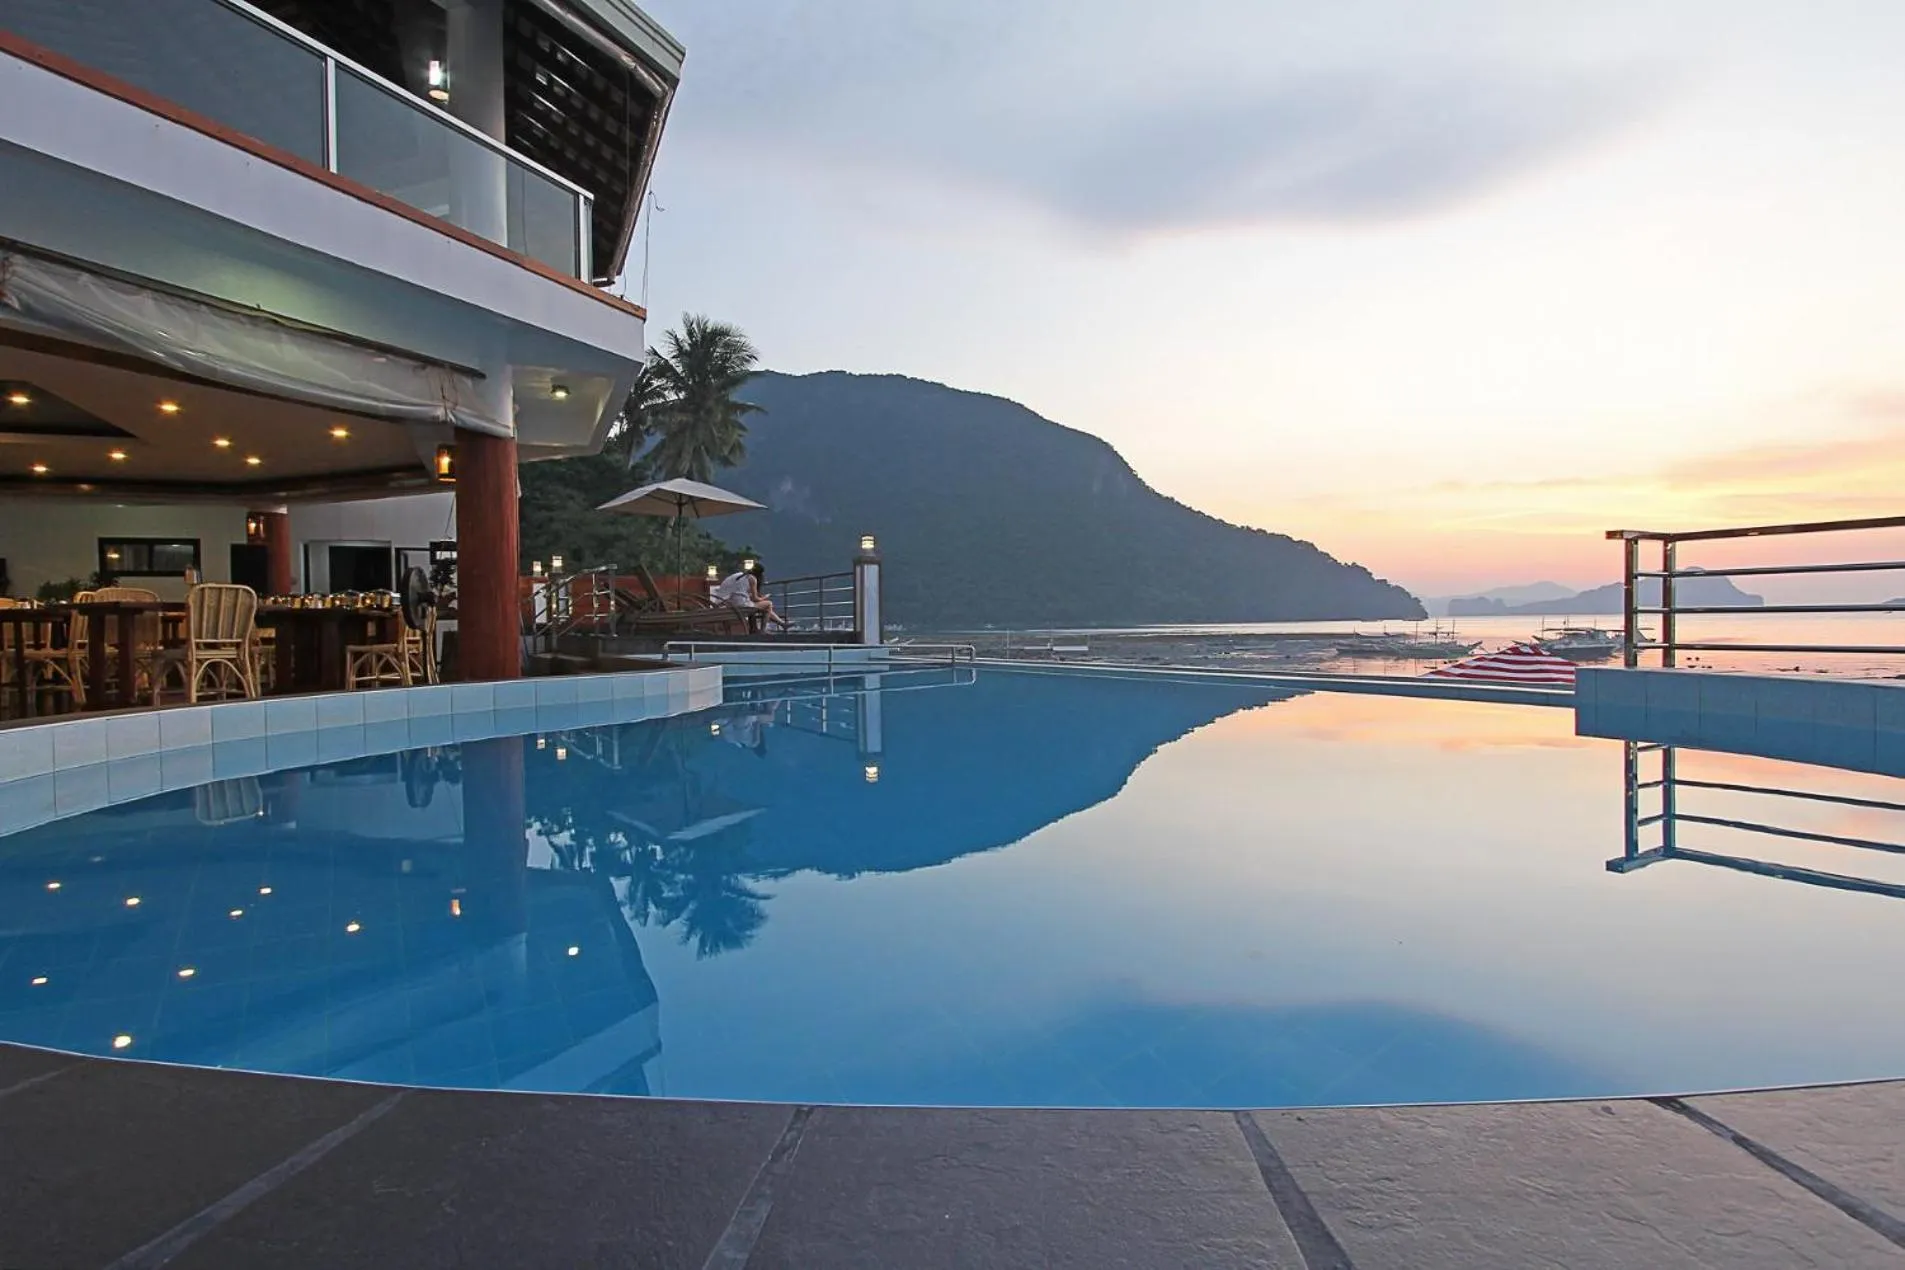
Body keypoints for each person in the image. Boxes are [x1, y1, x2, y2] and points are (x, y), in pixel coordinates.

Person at [710, 562, 789, 630]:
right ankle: (763, 630)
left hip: (727, 604)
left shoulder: (739, 576)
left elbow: (739, 593)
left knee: (763, 607)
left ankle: (782, 624)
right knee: (768, 604)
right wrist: (765, 597)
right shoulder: (752, 579)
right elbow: (756, 599)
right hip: (740, 606)